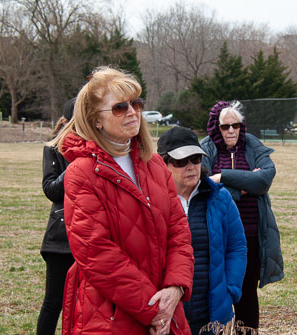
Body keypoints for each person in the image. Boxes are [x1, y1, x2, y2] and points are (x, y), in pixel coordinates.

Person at [50, 66, 194, 335]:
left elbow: (179, 231)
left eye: (136, 104)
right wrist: (152, 309)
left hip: (167, 309)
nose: (132, 112)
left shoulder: (155, 165)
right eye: (119, 107)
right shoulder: (81, 172)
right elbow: (96, 253)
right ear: (96, 120)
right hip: (109, 317)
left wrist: (175, 288)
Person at [200, 101, 284, 333]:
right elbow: (203, 185)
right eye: (225, 127)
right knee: (215, 294)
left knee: (247, 297)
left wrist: (222, 176)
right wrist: (244, 185)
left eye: (236, 125)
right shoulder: (205, 149)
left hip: (251, 237)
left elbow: (263, 180)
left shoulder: (252, 146)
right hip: (217, 237)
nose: (231, 131)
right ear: (215, 128)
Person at [157, 126, 247, 335]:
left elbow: (237, 247)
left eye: (196, 159)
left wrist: (229, 291)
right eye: (181, 161)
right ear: (163, 164)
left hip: (210, 313)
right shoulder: (152, 201)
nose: (190, 166)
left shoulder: (220, 198)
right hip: (168, 314)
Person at [37, 98, 76, 335]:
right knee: (53, 302)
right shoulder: (53, 147)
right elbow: (51, 190)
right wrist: (77, 166)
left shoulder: (102, 147)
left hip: (93, 237)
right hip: (61, 239)